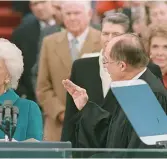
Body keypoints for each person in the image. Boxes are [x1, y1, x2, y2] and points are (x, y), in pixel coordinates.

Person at [61, 13, 163, 144]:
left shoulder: (146, 93)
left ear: (122, 65)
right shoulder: (134, 87)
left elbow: (142, 152)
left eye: (107, 62)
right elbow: (113, 132)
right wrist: (87, 107)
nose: (106, 68)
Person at [36, 1, 101, 141]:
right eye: (68, 13)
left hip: (94, 126)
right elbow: (43, 87)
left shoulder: (102, 41)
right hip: (57, 127)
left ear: (89, 14)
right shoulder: (49, 42)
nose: (72, 18)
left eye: (76, 13)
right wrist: (60, 113)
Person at [11, 0, 54, 101]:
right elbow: (13, 67)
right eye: (35, 4)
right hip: (31, 96)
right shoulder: (21, 33)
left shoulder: (67, 27)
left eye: (43, 2)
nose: (39, 7)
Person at [145, 23, 167, 88]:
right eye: (155, 46)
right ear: (149, 50)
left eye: (166, 47)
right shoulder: (138, 78)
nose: (160, 53)